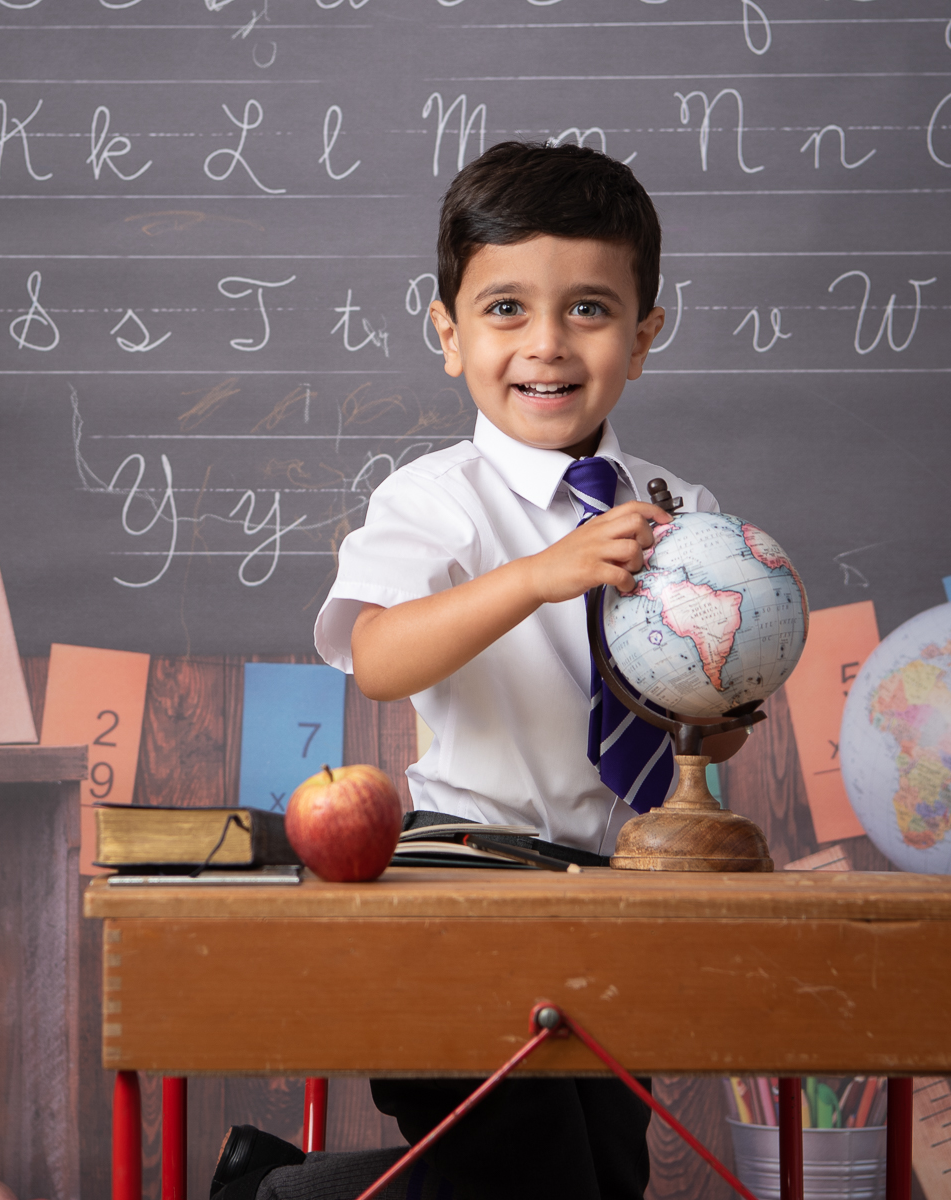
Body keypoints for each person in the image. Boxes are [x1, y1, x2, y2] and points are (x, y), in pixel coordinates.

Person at [213, 141, 743, 1200]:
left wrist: (725, 688)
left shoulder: (680, 508)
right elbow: (375, 658)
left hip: (620, 894)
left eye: (589, 310)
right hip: (463, 884)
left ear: (644, 338)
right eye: (506, 310)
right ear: (448, 334)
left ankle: (284, 1192)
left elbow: (707, 729)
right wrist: (540, 577)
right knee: (541, 1181)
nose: (546, 345)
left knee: (601, 1177)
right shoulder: (434, 499)